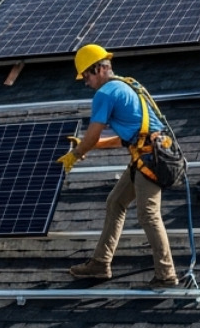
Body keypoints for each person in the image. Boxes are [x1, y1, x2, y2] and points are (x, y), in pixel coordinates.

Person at [59, 44, 177, 287]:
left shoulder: (105, 93)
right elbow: (128, 136)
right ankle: (101, 264)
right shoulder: (126, 85)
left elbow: (93, 134)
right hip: (150, 153)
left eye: (87, 76)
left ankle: (166, 275)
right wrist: (87, 144)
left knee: (148, 214)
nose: (86, 82)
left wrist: (78, 152)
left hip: (151, 158)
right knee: (115, 202)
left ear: (98, 69)